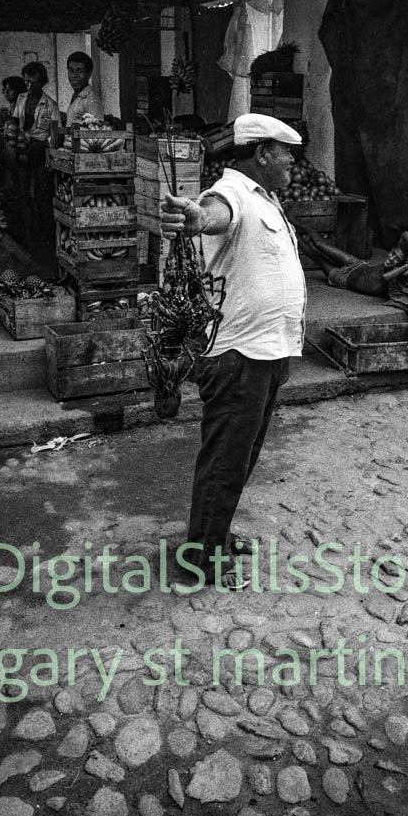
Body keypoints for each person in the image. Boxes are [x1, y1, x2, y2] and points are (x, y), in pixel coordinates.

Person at [160, 113, 305, 589]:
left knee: (240, 457)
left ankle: (214, 538)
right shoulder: (233, 193)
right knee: (225, 459)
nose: (291, 162)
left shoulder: (267, 199)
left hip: (269, 350)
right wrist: (197, 218)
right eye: (285, 153)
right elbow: (214, 214)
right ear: (261, 153)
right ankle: (200, 558)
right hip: (240, 354)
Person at [12, 62, 60, 267]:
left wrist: (50, 150)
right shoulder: (21, 99)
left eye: (33, 82)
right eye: (26, 82)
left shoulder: (51, 105)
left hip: (39, 152)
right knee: (23, 194)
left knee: (42, 196)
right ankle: (26, 237)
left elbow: (55, 135)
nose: (29, 86)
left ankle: (44, 240)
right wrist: (14, 133)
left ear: (42, 82)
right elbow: (15, 122)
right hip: (22, 150)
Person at [65, 51, 104, 126]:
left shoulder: (91, 100)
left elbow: (98, 130)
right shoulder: (77, 96)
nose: (74, 75)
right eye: (71, 70)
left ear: (88, 74)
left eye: (79, 71)